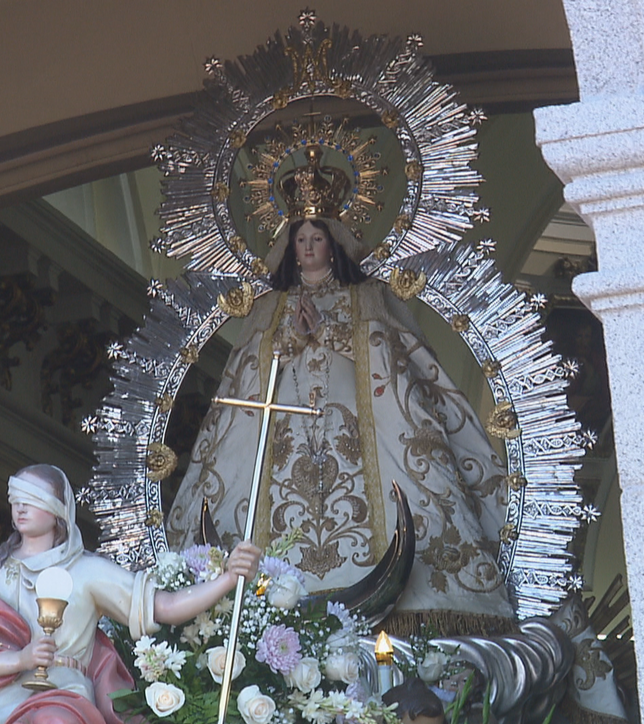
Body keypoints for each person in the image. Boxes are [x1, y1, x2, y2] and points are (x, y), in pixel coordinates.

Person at [167, 217, 515, 638]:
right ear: (290, 247)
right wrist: (294, 336)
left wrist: (327, 330)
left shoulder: (367, 295)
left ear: (333, 245)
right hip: (286, 435)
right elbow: (251, 370)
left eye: (316, 239)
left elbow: (391, 358)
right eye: (300, 240)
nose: (308, 247)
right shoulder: (270, 306)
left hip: (362, 427)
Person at [0, 464, 262, 724]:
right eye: (16, 500)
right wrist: (22, 660)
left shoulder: (88, 573)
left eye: (33, 499)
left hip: (59, 695)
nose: (21, 508)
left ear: (57, 509)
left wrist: (229, 577)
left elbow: (165, 607)